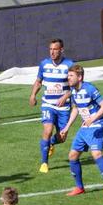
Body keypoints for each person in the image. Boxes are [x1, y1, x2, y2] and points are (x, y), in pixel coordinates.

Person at [60, 64, 103, 200]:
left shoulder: (90, 88)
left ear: (80, 77)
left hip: (98, 124)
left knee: (96, 153)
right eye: (68, 75)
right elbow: (75, 109)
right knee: (73, 155)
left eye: (71, 76)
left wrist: (93, 118)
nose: (68, 78)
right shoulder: (73, 91)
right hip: (86, 126)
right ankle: (79, 187)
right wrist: (67, 127)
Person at [29, 39, 74, 173]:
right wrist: (33, 95)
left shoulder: (69, 65)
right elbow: (38, 81)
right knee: (47, 131)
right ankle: (44, 163)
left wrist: (65, 96)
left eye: (55, 49)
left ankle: (52, 143)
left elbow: (76, 86)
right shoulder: (44, 64)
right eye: (50, 49)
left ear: (61, 50)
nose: (52, 52)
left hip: (64, 107)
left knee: (62, 137)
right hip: (48, 105)